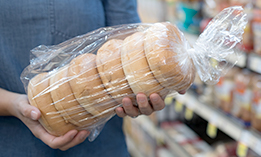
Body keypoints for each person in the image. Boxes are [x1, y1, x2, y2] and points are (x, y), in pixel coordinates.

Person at [0, 0, 171, 156]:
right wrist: (13, 104)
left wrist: (150, 78)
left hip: (101, 145)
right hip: (13, 143)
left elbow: (125, 36)